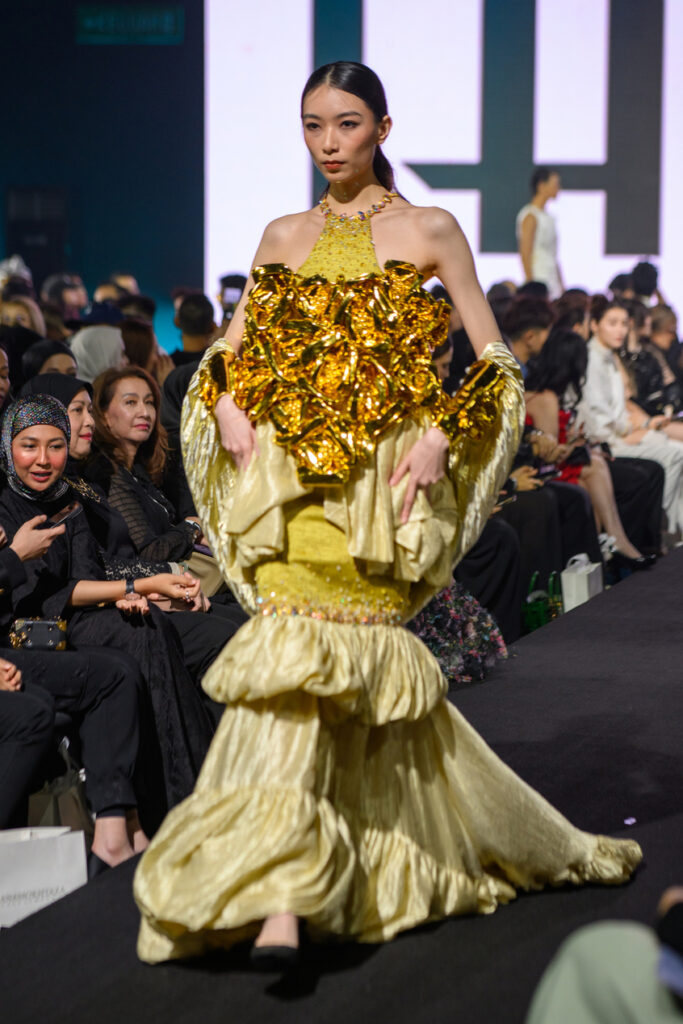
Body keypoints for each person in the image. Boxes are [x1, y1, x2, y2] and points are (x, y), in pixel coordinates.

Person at [134, 61, 640, 969]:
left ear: (383, 128)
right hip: (290, 490)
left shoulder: (429, 228)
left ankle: (358, 861)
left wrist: (443, 433)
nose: (328, 143)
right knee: (292, 672)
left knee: (349, 673)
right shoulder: (281, 234)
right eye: (312, 125)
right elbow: (228, 358)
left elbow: (495, 358)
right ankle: (286, 889)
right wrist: (228, 405)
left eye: (346, 123)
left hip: (380, 492)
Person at [0, 395, 216, 830]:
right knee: (136, 639)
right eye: (29, 445)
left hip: (74, 617)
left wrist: (126, 595)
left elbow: (84, 576)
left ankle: (193, 794)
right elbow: (43, 596)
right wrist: (136, 586)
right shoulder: (6, 506)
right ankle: (163, 807)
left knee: (147, 624)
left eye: (55, 446)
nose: (42, 460)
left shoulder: (69, 498)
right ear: (8, 447)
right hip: (29, 629)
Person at [578, 296, 683, 538]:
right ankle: (661, 530)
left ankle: (669, 531)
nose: (620, 330)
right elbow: (599, 420)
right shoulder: (591, 360)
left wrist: (641, 425)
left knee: (672, 450)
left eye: (624, 323)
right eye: (613, 323)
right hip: (605, 442)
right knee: (673, 454)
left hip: (620, 433)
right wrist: (635, 430)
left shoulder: (610, 357)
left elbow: (620, 409)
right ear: (594, 325)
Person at [516, 168, 563, 299]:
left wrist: (561, 284)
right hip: (538, 278)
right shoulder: (530, 216)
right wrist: (530, 284)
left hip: (552, 279)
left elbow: (553, 255)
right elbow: (525, 252)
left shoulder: (549, 217)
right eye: (555, 184)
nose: (558, 188)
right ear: (541, 185)